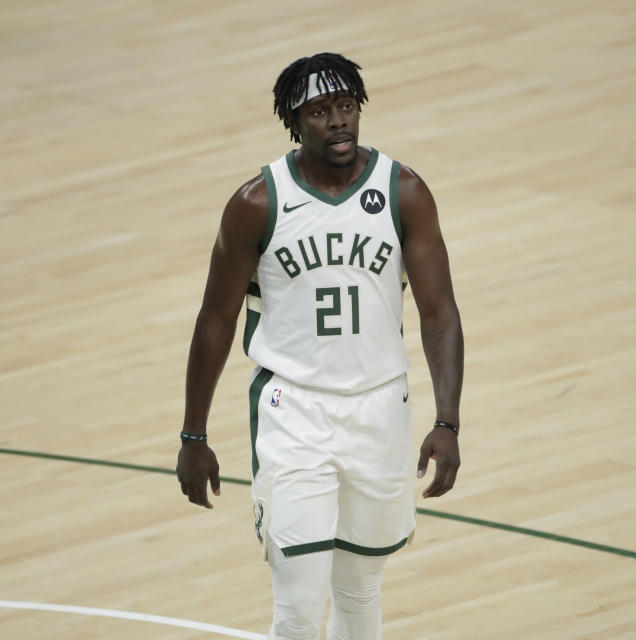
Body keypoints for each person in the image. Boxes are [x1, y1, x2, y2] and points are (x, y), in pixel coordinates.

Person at [176, 52, 463, 639]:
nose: (337, 121)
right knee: (300, 607)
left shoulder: (403, 192)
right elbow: (214, 320)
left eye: (346, 107)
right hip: (295, 410)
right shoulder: (258, 203)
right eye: (319, 111)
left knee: (359, 592)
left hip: (381, 408)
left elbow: (440, 313)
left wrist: (448, 422)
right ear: (293, 120)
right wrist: (193, 435)